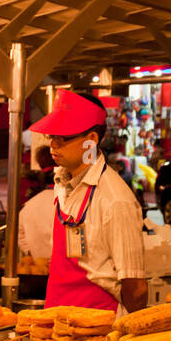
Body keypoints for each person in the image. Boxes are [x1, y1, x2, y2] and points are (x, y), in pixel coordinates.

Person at [28, 90, 146, 314]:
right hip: (57, 321)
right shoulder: (62, 183)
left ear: (90, 140)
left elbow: (136, 289)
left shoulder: (116, 199)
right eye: (51, 136)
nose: (52, 144)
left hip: (98, 329)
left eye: (62, 137)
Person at [17, 180, 55, 261]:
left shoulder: (28, 205)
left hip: (38, 263)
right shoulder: (64, 202)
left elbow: (19, 234)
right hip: (62, 265)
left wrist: (28, 251)